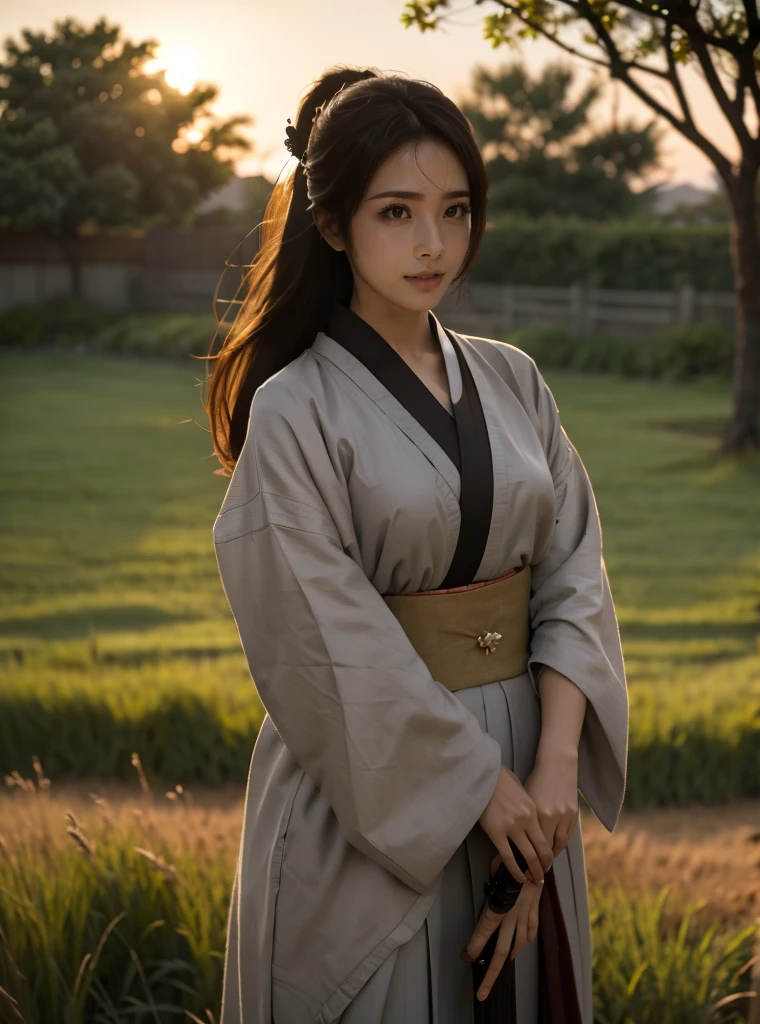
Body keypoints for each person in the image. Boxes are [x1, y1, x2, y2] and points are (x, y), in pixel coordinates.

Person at [204, 64, 629, 1024]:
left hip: (531, 783)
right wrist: (482, 791)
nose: (433, 244)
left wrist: (553, 773)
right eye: (396, 212)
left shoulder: (514, 380)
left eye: (455, 209)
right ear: (332, 223)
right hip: (373, 786)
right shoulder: (294, 409)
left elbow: (574, 579)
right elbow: (322, 636)